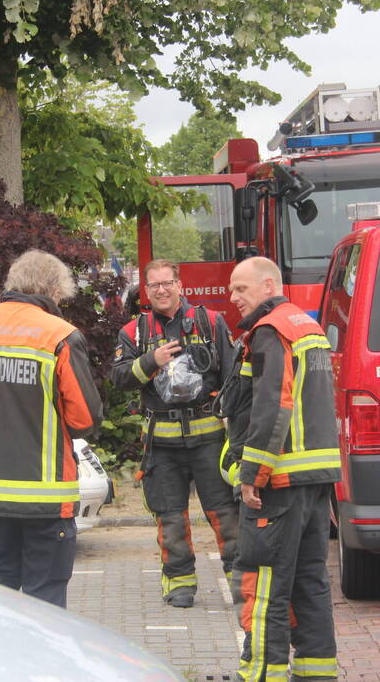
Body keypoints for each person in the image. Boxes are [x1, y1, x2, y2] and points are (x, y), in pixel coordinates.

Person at [0, 249, 102, 608]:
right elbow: (85, 421)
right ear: (53, 291)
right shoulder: (59, 335)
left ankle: (0, 664)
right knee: (44, 602)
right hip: (45, 501)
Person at [222, 257, 341, 682]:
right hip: (316, 479)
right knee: (311, 577)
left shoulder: (271, 332)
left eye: (241, 288)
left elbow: (275, 407)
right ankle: (316, 671)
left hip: (280, 480)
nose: (233, 297)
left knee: (264, 578)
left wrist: (252, 474)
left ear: (268, 284)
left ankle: (261, 673)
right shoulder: (307, 326)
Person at [112, 259, 239, 608]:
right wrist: (151, 361)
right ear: (146, 291)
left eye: (167, 283)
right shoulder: (135, 332)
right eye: (153, 285)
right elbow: (119, 379)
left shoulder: (209, 322)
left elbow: (234, 376)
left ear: (180, 285)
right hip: (161, 446)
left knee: (226, 514)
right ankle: (180, 584)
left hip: (209, 440)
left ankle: (243, 582)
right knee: (170, 519)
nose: (161, 290)